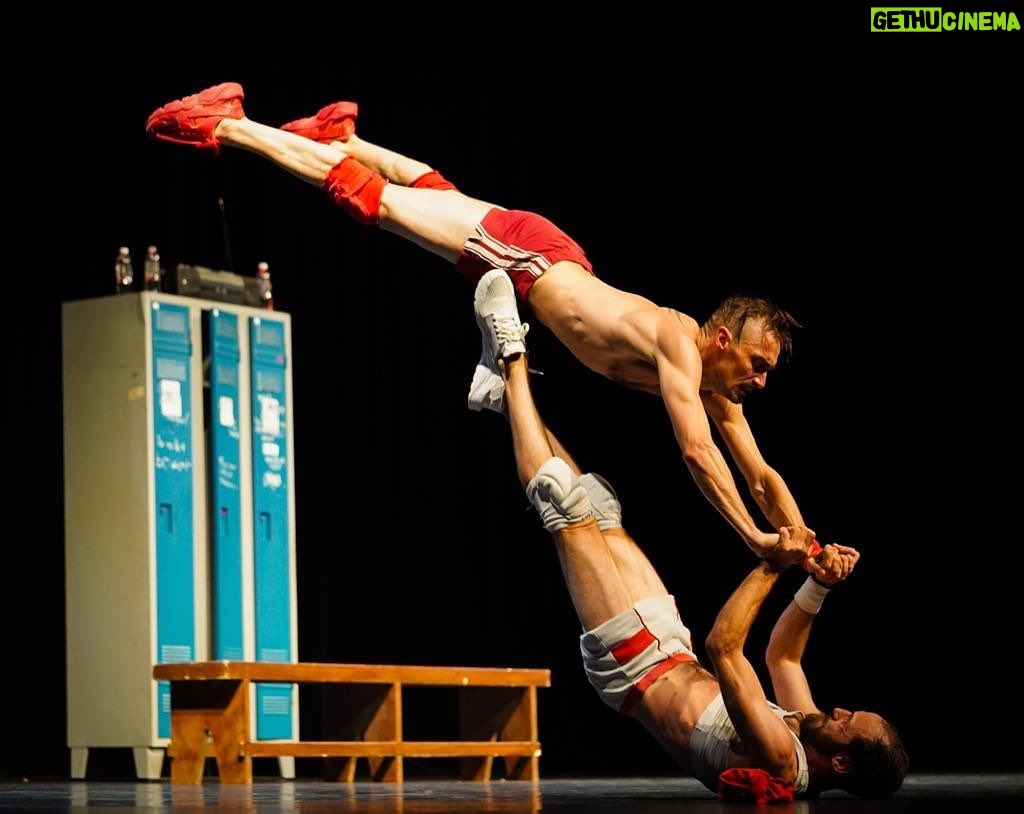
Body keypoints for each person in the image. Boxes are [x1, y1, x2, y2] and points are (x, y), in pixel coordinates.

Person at [148, 82, 812, 563]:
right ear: (723, 337)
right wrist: (753, 540)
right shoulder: (678, 340)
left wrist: (804, 541)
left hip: (542, 260)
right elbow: (697, 453)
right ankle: (226, 124)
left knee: (438, 204)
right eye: (758, 364)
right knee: (374, 202)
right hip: (531, 261)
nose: (758, 381)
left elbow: (760, 476)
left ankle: (342, 137)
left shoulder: (711, 388)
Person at [469, 269, 908, 799]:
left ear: (840, 763)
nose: (838, 711)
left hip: (632, 668)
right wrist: (817, 582)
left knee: (563, 507)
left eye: (848, 722)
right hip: (669, 646)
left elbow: (725, 648)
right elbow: (783, 658)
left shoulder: (781, 757)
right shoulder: (807, 727)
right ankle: (502, 396)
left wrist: (772, 564)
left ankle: (511, 357)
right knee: (599, 505)